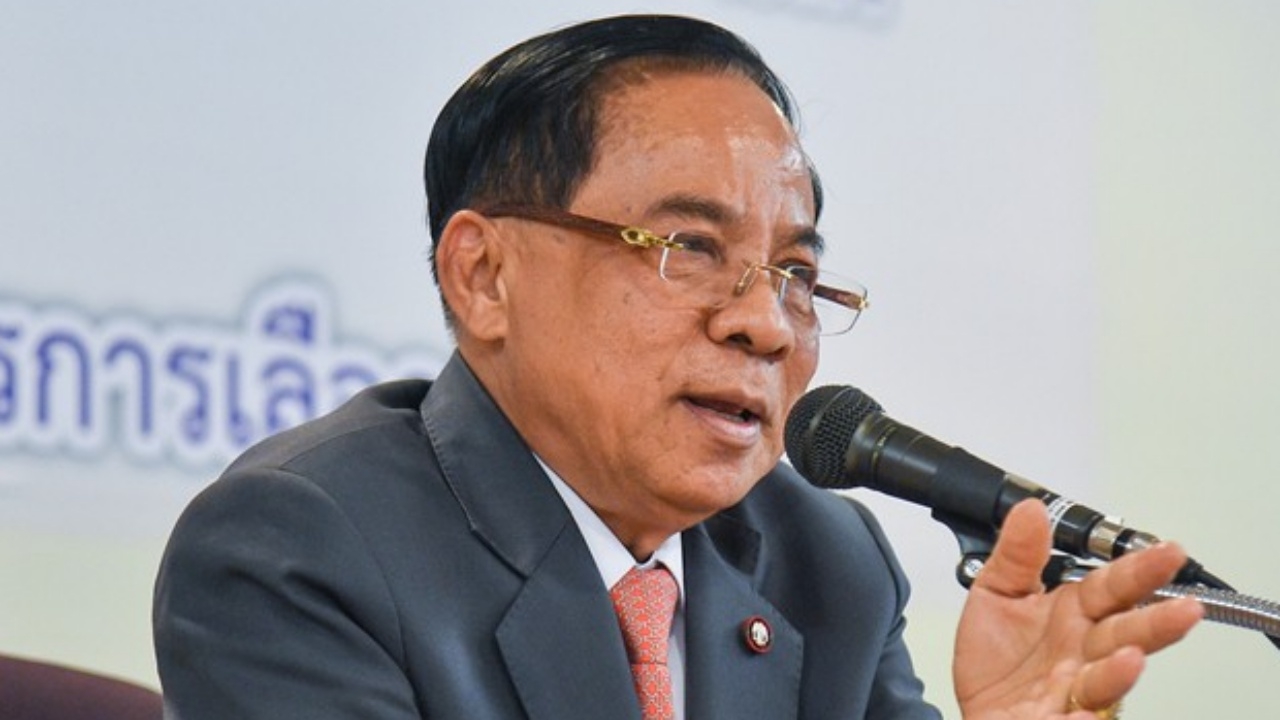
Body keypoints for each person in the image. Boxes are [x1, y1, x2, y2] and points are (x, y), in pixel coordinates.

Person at [152, 14, 1203, 719]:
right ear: (484, 276)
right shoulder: (302, 546)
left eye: (796, 273)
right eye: (689, 246)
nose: (764, 324)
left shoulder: (826, 562)